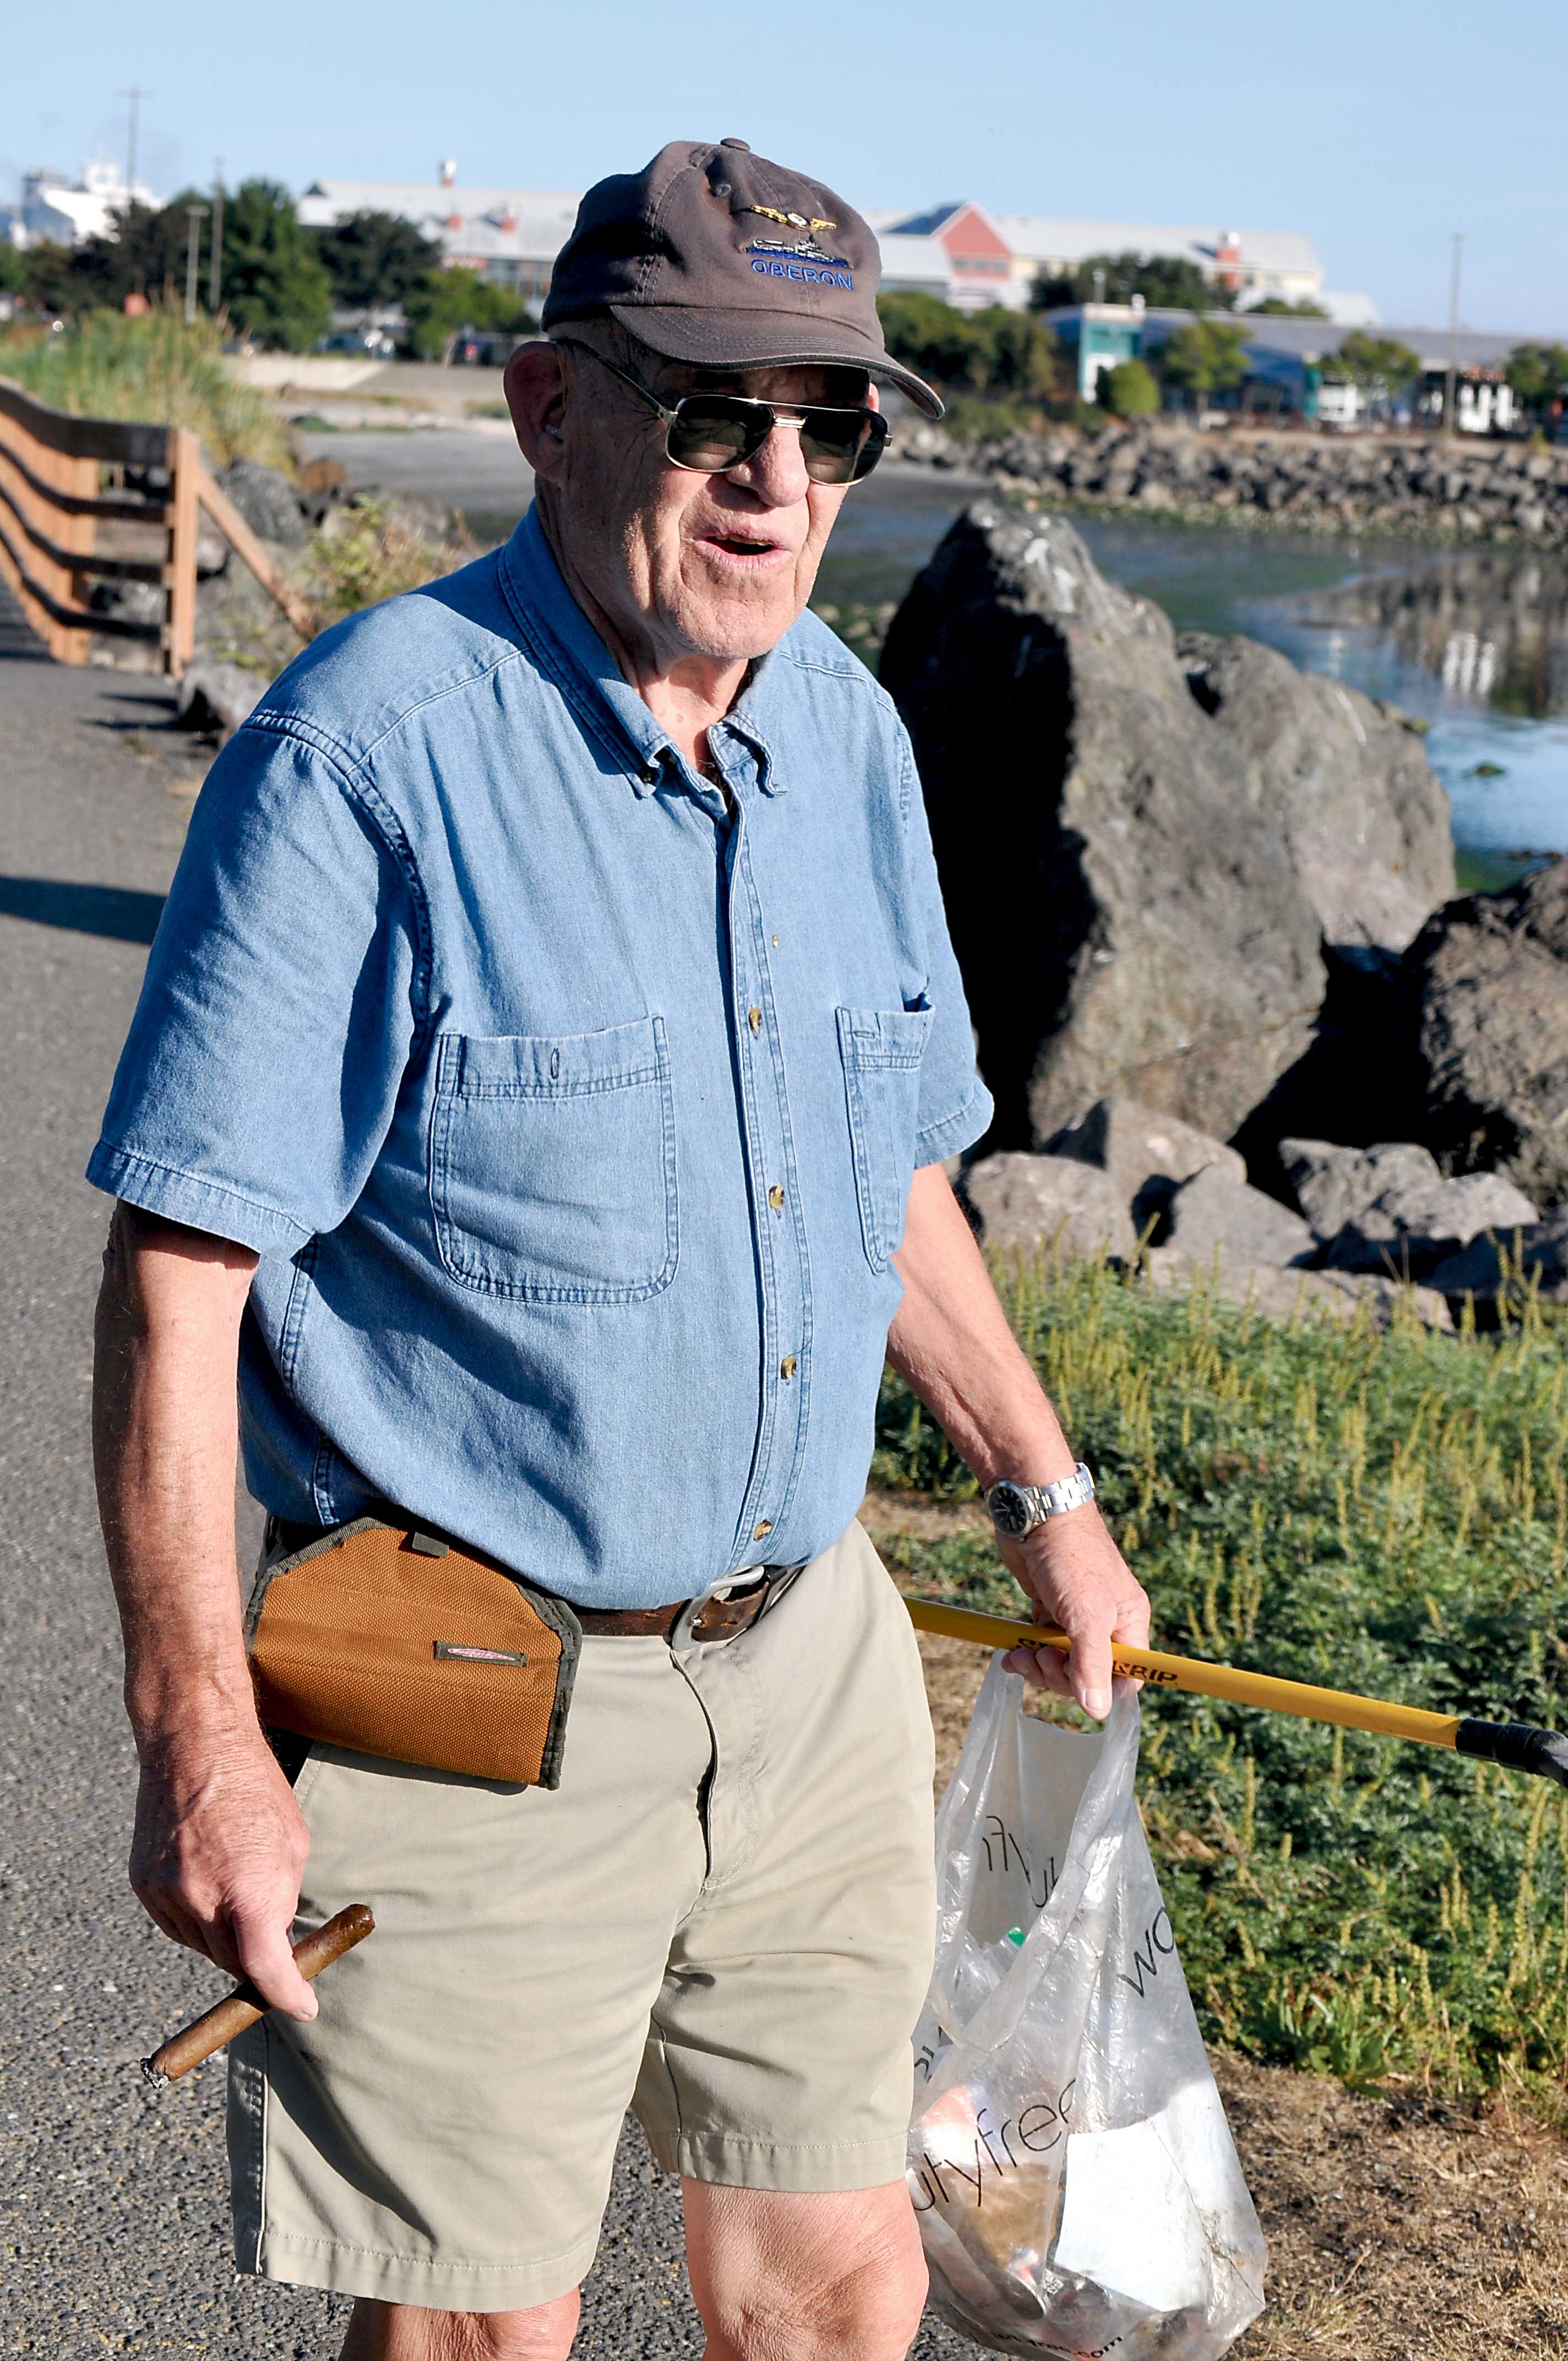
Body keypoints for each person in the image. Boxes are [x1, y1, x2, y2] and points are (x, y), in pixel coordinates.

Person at [90, 139, 1150, 2359]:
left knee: (844, 2280)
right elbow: (181, 1281)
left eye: (829, 428)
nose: (775, 478)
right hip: (469, 1688)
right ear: (549, 408)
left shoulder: (849, 735)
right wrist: (200, 1735)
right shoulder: (362, 759)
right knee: (487, 2329)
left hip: (811, 1665)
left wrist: (1045, 1496)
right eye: (713, 411)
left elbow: (889, 1178)